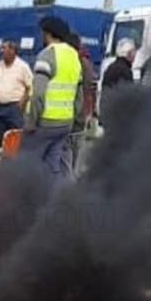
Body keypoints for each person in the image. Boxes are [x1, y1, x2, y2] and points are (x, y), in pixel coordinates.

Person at [21, 17, 83, 182]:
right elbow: (79, 96)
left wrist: (31, 122)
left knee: (27, 166)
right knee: (53, 168)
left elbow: (38, 94)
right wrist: (71, 116)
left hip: (44, 122)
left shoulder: (47, 55)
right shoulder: (74, 56)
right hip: (64, 123)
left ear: (47, 33)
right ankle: (56, 203)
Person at [0, 40, 32, 151]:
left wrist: (20, 105)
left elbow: (30, 87)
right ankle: (3, 163)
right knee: (1, 139)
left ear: (12, 50)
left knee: (15, 138)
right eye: (1, 48)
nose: (0, 51)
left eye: (4, 48)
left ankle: (16, 164)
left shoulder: (23, 67)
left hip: (14, 108)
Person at [66, 32, 95, 173]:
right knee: (73, 152)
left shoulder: (80, 63)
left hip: (76, 115)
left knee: (70, 153)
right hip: (80, 113)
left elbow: (83, 89)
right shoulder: (85, 62)